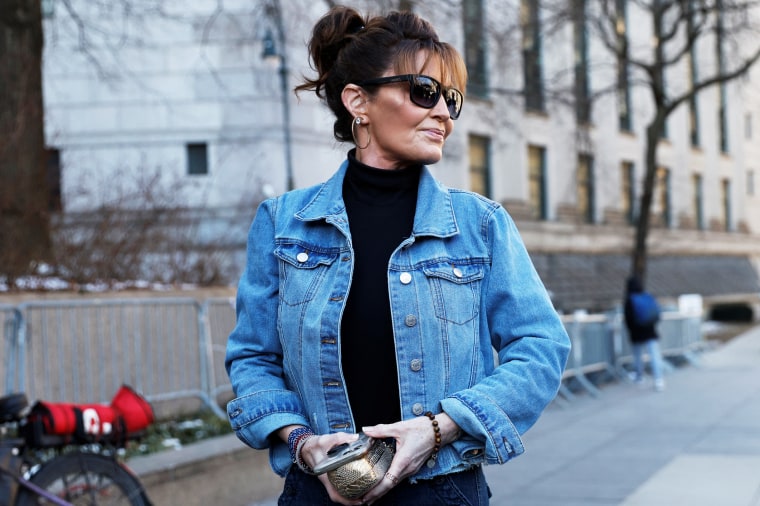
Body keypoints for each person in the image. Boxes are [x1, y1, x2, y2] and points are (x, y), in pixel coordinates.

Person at [225, 6, 571, 505]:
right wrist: (302, 442)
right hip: (316, 493)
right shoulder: (283, 224)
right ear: (357, 101)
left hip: (442, 492)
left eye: (451, 99)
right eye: (424, 92)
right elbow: (253, 357)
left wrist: (440, 428)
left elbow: (540, 347)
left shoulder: (481, 224)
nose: (445, 115)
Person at [623, 276, 666, 392]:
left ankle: (639, 376)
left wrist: (631, 331)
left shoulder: (630, 299)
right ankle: (659, 379)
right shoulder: (647, 296)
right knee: (654, 356)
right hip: (650, 331)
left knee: (638, 356)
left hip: (637, 333)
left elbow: (628, 319)